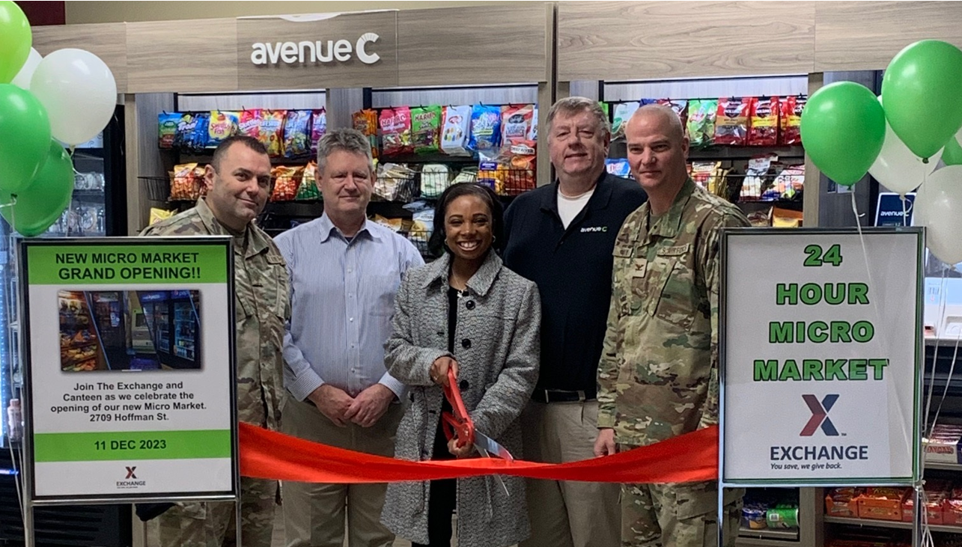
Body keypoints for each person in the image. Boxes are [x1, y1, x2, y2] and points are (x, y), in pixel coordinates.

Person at [594, 104, 749, 547]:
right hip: (636, 436)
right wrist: (608, 417)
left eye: (659, 147)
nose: (647, 160)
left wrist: (714, 431)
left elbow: (735, 341)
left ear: (683, 148)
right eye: (638, 149)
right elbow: (617, 326)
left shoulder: (717, 223)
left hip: (692, 442)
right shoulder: (631, 228)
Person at [502, 96, 647, 547]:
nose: (575, 143)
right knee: (538, 537)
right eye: (563, 134)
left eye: (586, 132)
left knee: (597, 535)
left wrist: (614, 415)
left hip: (596, 413)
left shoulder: (633, 203)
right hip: (527, 409)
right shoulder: (523, 210)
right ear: (548, 147)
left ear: (606, 142)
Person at [273, 128, 423, 547]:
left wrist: (388, 389)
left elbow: (419, 331)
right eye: (339, 176)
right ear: (319, 180)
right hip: (309, 422)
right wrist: (316, 390)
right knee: (309, 538)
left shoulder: (402, 252)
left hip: (384, 422)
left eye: (360, 175)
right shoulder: (285, 250)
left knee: (377, 538)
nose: (350, 185)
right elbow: (275, 331)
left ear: (373, 181)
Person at [141, 135, 289, 547]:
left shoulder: (271, 255)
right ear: (209, 177)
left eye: (263, 180)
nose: (253, 189)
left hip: (257, 453)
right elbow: (139, 355)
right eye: (242, 175)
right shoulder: (167, 243)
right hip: (191, 452)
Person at [380, 182, 540, 547]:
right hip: (425, 437)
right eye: (456, 222)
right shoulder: (416, 283)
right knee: (427, 535)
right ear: (443, 228)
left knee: (484, 536)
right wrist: (429, 361)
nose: (468, 231)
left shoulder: (519, 292)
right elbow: (395, 351)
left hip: (485, 438)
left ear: (494, 227)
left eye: (479, 221)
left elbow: (521, 372)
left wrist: (476, 428)